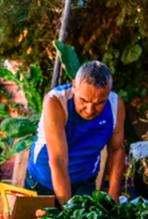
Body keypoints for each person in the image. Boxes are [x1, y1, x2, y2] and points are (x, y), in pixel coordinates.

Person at [25, 61, 126, 204]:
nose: (90, 110)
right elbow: (59, 161)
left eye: (99, 103)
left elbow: (117, 149)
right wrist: (69, 212)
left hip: (84, 184)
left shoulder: (116, 106)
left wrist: (114, 196)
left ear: (108, 93)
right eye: (83, 100)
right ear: (74, 86)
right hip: (42, 184)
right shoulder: (55, 102)